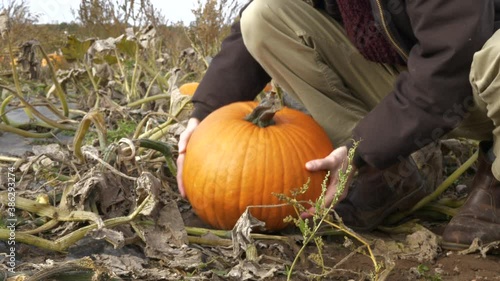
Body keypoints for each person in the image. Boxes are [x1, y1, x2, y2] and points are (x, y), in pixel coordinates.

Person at [176, 0, 500, 251]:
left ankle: (495, 177)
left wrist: (363, 147)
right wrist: (205, 116)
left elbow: (452, 60)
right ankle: (384, 173)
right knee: (264, 17)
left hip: (475, 81)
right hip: (418, 79)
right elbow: (252, 34)